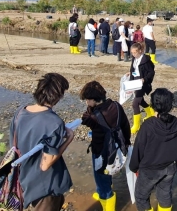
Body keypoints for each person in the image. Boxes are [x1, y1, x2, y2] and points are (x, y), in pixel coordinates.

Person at [11, 73, 74, 210]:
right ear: (59, 96)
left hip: (24, 179)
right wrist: (68, 139)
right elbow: (45, 165)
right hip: (46, 187)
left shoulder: (20, 112)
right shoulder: (54, 122)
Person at [80, 80, 131, 211]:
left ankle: (107, 199)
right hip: (117, 145)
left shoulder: (93, 116)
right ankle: (103, 191)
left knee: (101, 175)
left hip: (101, 151)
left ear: (94, 100)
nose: (86, 102)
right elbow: (125, 125)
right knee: (108, 170)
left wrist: (90, 111)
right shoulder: (116, 106)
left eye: (87, 100)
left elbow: (84, 119)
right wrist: (127, 142)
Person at [130, 88, 177, 211]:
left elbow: (138, 149)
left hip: (150, 170)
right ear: (170, 105)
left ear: (153, 105)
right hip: (170, 167)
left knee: (141, 197)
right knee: (164, 195)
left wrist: (133, 167)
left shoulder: (148, 125)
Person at [127, 42, 156, 133]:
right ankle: (150, 111)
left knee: (135, 103)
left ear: (140, 51)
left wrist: (144, 79)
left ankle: (136, 125)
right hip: (135, 82)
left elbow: (151, 73)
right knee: (140, 100)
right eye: (132, 52)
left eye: (135, 52)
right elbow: (135, 70)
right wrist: (131, 74)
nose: (133, 54)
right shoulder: (134, 58)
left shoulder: (146, 60)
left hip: (143, 84)